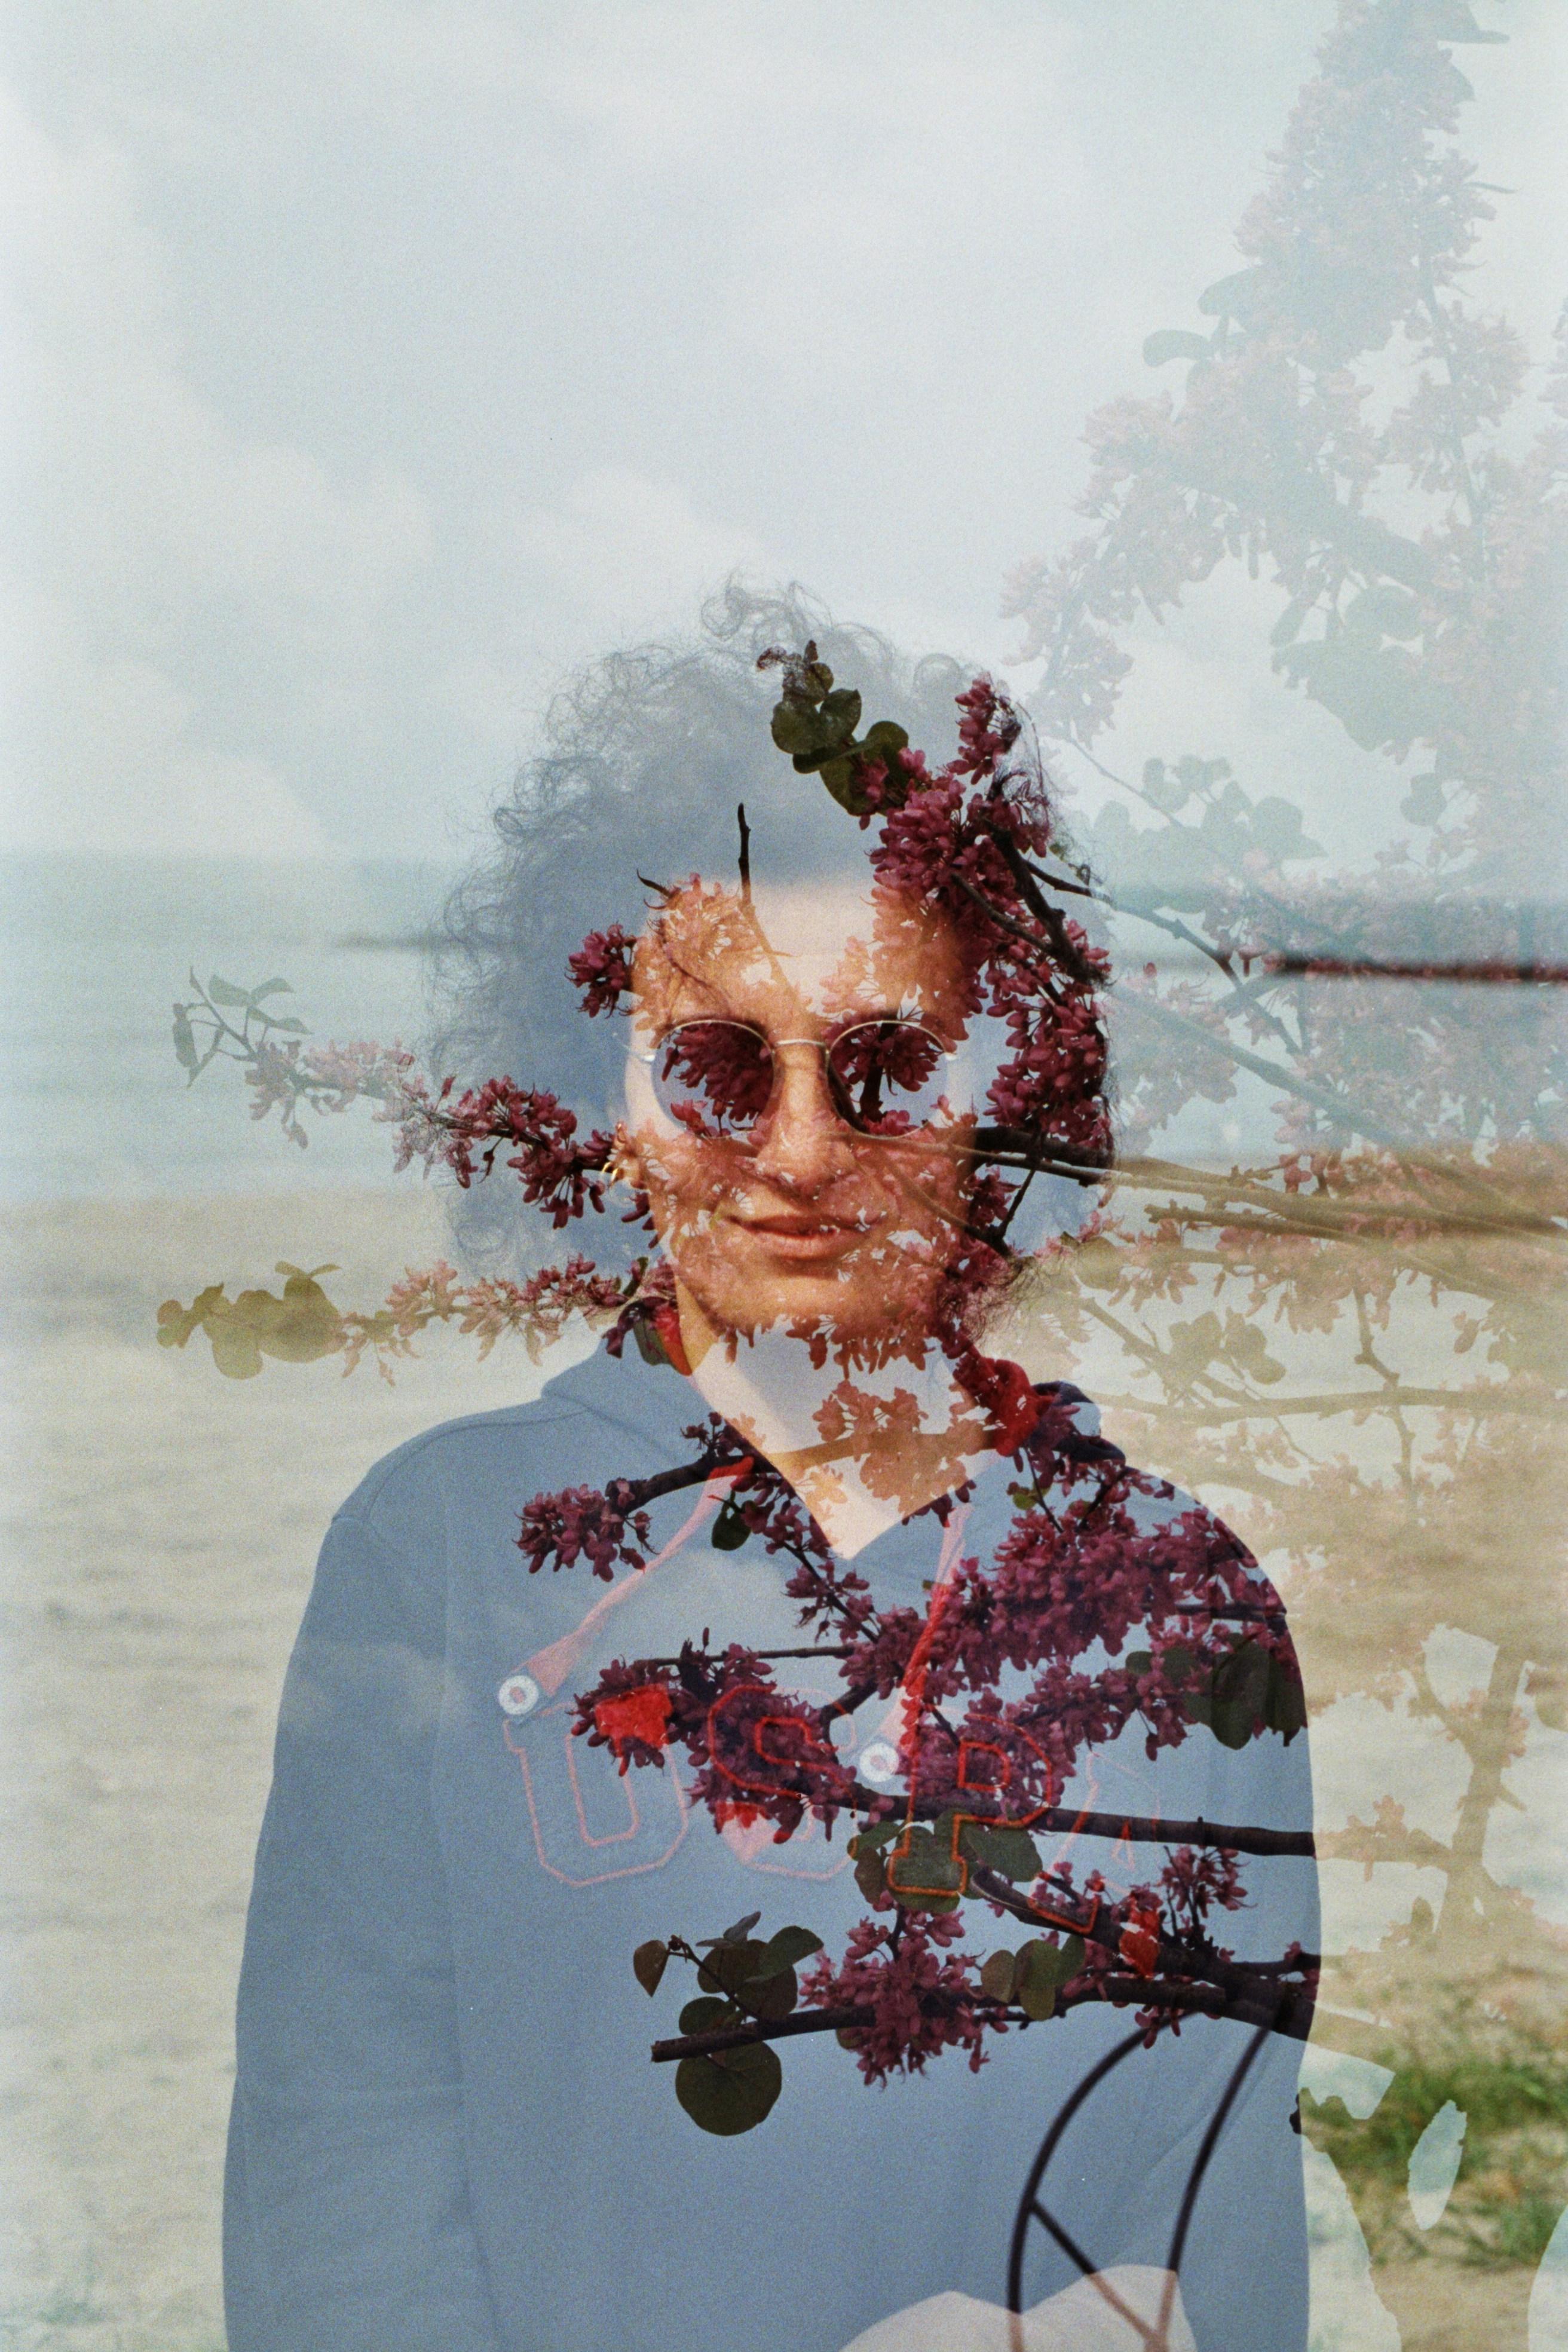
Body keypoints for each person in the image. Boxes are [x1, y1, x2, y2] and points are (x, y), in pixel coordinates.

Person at [223, 591, 1317, 2352]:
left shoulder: (1183, 1604)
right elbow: (337, 2231)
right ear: (609, 1109)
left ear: (1003, 1110)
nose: (801, 1152)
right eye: (719, 1069)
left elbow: (1221, 2247)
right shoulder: (438, 1552)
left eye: (887, 1070)